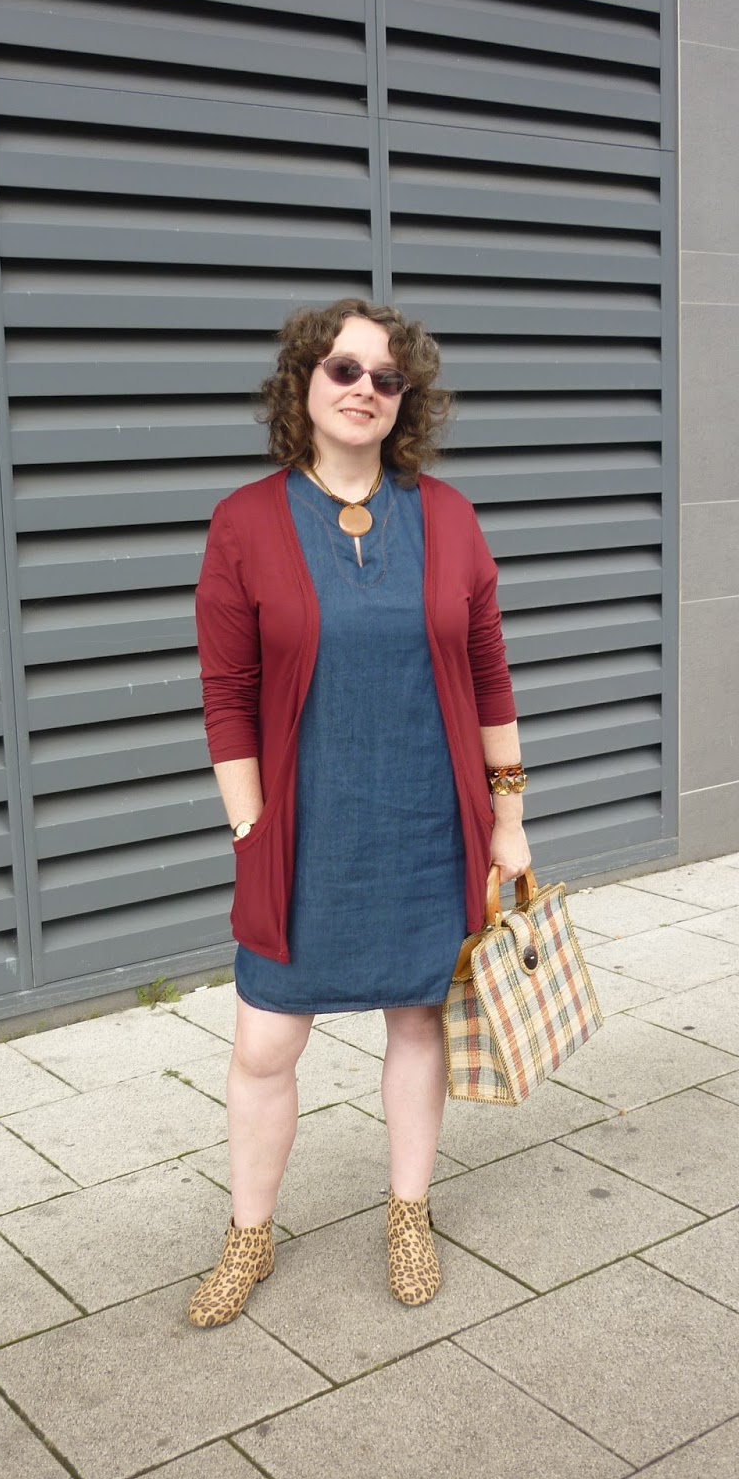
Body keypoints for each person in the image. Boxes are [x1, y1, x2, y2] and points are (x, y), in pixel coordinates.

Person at [188, 297, 530, 1328]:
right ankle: (250, 1230)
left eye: (387, 378)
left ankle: (409, 1209)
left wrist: (509, 817)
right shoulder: (246, 521)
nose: (364, 390)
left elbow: (489, 672)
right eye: (344, 369)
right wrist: (249, 826)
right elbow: (226, 691)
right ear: (305, 382)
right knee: (264, 1044)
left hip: (431, 821)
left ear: (404, 402)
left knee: (417, 1018)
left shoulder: (450, 517)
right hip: (303, 831)